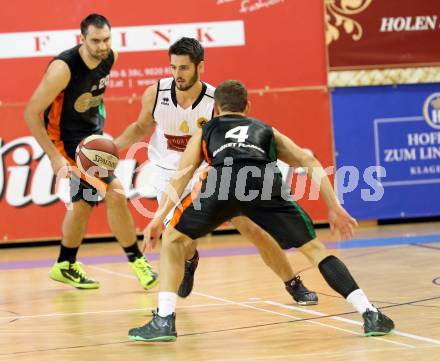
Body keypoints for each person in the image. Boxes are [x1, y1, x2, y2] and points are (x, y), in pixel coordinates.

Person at [128, 80, 395, 342]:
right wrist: (334, 206)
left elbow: (182, 175)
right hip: (263, 182)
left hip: (223, 183)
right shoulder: (265, 129)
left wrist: (157, 218)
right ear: (248, 106)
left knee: (173, 239)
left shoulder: (207, 129)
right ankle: (370, 313)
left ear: (217, 109)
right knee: (315, 250)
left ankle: (164, 319)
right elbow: (308, 160)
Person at [115, 37, 317, 305]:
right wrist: (110, 150)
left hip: (206, 171)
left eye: (184, 68)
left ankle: (293, 283)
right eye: (173, 67)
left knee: (252, 228)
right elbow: (140, 128)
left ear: (201, 66)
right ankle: (190, 261)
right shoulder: (155, 94)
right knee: (179, 239)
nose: (177, 74)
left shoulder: (214, 102)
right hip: (168, 174)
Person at [24, 14, 158, 290]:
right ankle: (137, 260)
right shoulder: (63, 69)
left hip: (89, 135)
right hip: (65, 140)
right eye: (95, 41)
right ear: (81, 39)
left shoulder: (110, 56)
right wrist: (53, 155)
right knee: (116, 192)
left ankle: (65, 264)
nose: (102, 46)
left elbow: (92, 96)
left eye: (106, 39)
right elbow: (31, 113)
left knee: (83, 203)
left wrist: (97, 128)